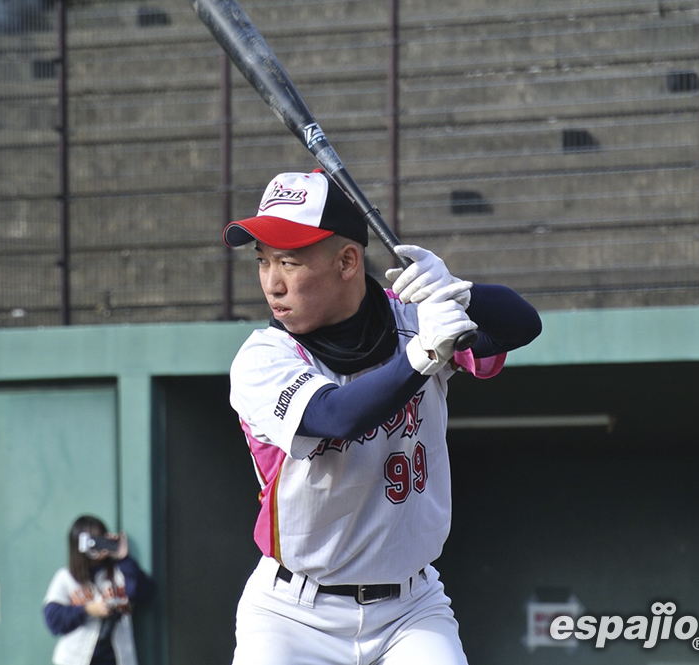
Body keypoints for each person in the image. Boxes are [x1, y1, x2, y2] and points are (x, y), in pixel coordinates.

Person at [223, 169, 542, 665]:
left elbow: (522, 324)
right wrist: (422, 356)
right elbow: (337, 416)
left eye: (289, 261)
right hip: (292, 614)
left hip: (411, 610)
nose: (273, 283)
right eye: (263, 262)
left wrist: (462, 292)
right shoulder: (264, 357)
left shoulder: (413, 318)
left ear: (347, 261)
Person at [42, 515, 156, 665]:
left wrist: (124, 557)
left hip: (118, 659)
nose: (99, 545)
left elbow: (144, 592)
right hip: (75, 659)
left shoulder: (120, 572)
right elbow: (53, 620)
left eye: (102, 538)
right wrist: (88, 610)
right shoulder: (66, 577)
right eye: (94, 541)